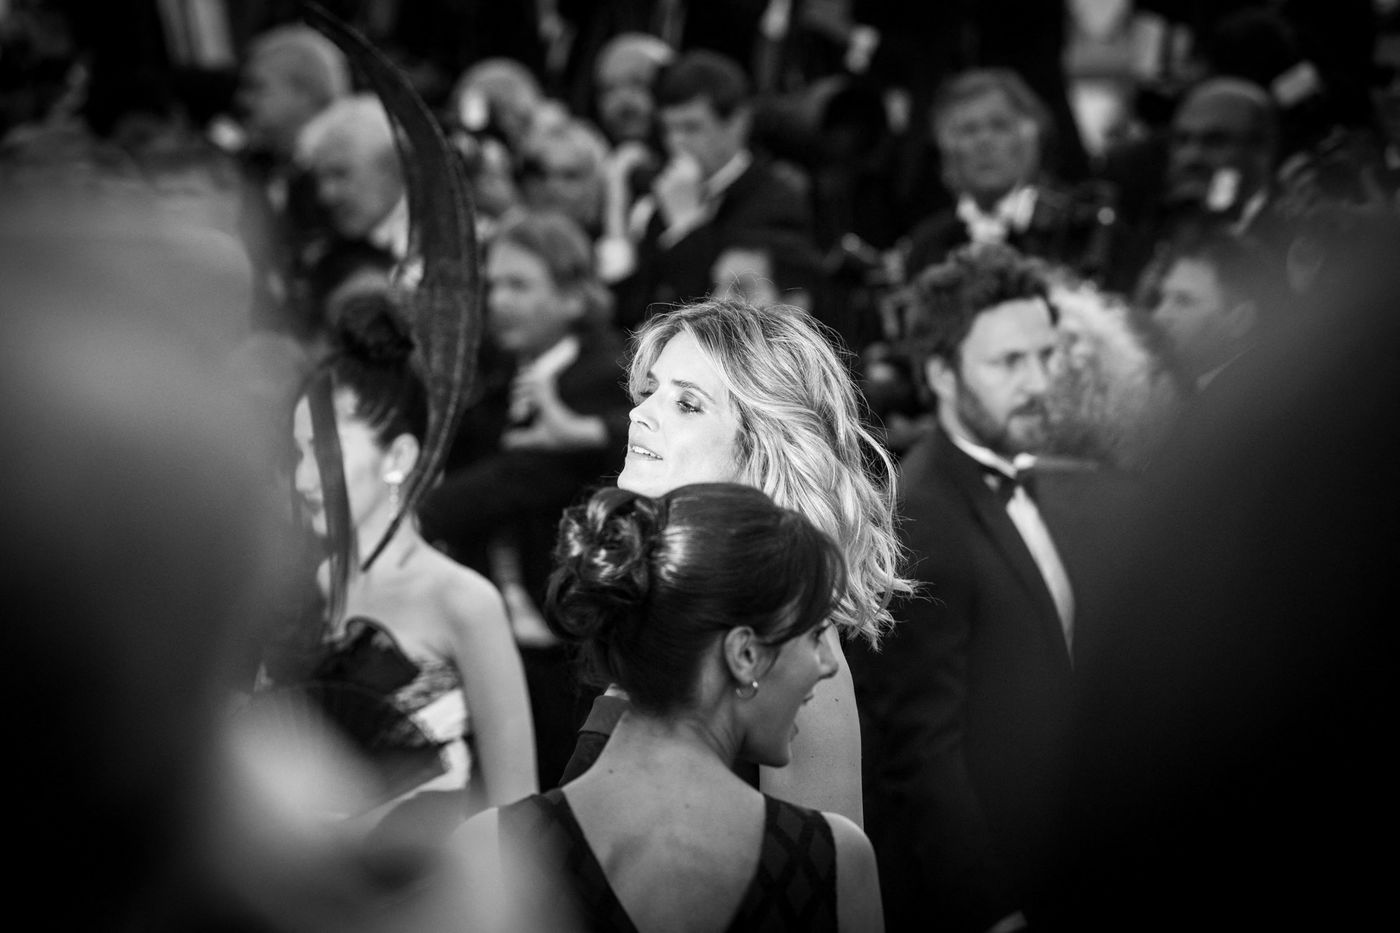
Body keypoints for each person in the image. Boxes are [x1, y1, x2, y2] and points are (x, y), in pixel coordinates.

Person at [853, 244, 1135, 932]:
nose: (1039, 382)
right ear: (941, 374)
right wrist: (992, 908)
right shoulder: (921, 517)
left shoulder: (1037, 477)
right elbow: (922, 756)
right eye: (1009, 363)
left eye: (1047, 356)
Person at [453, 483, 883, 933]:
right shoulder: (834, 860)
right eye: (814, 635)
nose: (827, 665)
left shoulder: (491, 854)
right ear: (744, 655)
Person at [557, 297, 911, 826]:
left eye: (687, 404)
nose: (639, 413)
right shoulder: (643, 593)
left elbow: (821, 865)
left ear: (761, 451)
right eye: (650, 391)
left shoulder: (793, 638)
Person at [254, 292, 537, 848]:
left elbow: (516, 809)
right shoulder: (292, 589)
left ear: (399, 457)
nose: (306, 479)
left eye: (327, 454)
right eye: (300, 453)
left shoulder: (463, 601)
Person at [418, 210, 630, 788]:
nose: (498, 301)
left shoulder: (607, 375)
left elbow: (516, 479)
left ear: (572, 296)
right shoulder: (496, 378)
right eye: (493, 285)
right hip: (503, 642)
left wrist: (406, 515)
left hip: (576, 649)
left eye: (519, 284)